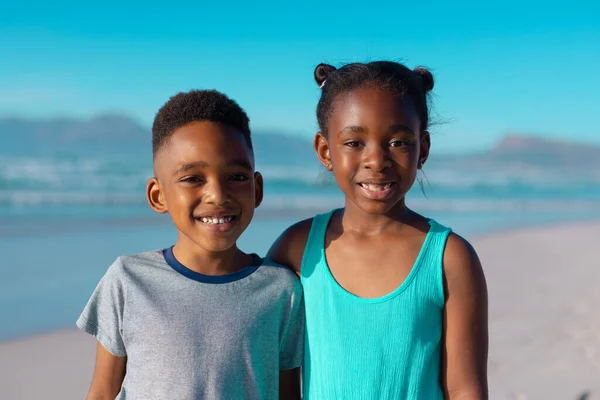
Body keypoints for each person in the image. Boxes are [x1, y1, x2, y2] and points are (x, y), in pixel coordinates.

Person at [267, 62, 488, 399]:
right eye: (354, 143)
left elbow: (465, 389)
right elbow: (279, 380)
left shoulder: (449, 258)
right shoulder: (296, 249)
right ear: (325, 151)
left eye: (398, 142)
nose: (377, 160)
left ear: (422, 149)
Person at [77, 89, 304, 400]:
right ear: (158, 196)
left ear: (257, 189)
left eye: (236, 177)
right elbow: (102, 393)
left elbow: (288, 394)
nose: (218, 195)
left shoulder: (282, 291)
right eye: (193, 178)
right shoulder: (127, 280)